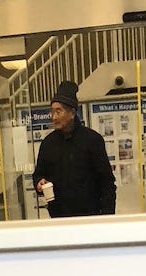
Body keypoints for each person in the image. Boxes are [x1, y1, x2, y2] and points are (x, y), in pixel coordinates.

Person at [33, 80, 116, 218]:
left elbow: (107, 182)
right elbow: (38, 174)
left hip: (91, 217)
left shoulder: (92, 140)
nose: (54, 117)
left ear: (72, 113)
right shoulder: (48, 143)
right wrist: (39, 183)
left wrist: (107, 218)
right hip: (59, 218)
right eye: (52, 112)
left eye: (58, 112)